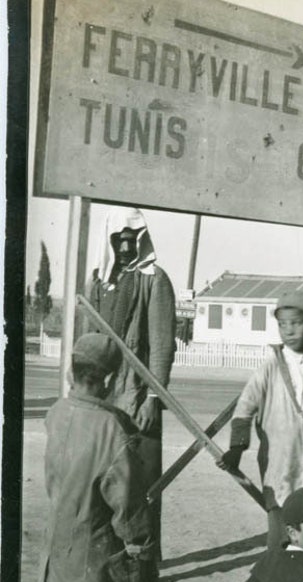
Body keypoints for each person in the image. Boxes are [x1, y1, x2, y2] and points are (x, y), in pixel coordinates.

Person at [218, 291, 303, 549]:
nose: (289, 330)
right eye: (282, 324)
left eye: (297, 323)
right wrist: (236, 448)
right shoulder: (269, 369)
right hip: (280, 471)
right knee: (280, 535)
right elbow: (244, 410)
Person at [36, 333, 157, 582]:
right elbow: (129, 513)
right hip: (92, 565)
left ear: (71, 372)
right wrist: (143, 550)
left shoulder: (56, 413)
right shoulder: (111, 431)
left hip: (55, 552)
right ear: (110, 380)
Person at [94, 206, 176, 555]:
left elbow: (161, 348)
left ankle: (144, 577)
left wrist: (152, 400)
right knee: (105, 489)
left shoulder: (154, 280)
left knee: (141, 493)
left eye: (132, 240)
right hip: (104, 404)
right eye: (120, 240)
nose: (126, 248)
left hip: (138, 404)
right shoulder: (99, 282)